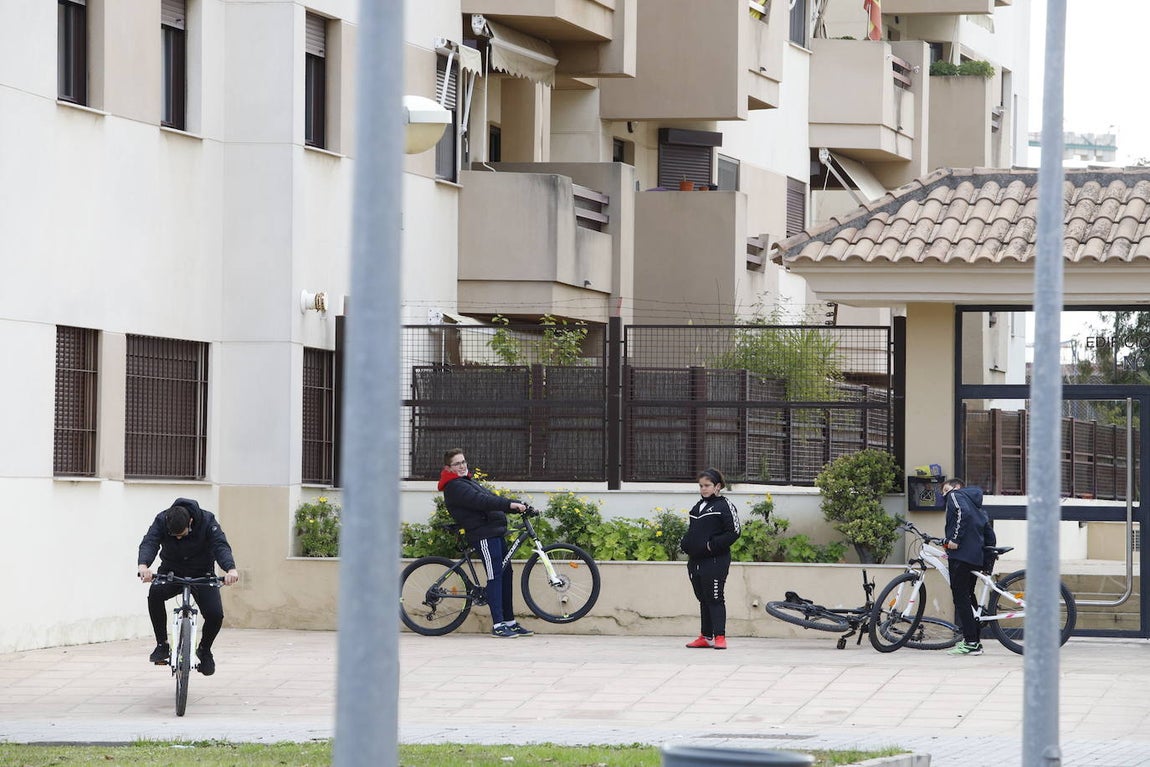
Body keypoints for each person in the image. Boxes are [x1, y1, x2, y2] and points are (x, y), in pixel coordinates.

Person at [138, 498, 240, 676]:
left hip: (201, 573)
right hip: (171, 571)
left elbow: (220, 546)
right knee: (155, 594)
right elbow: (150, 542)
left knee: (215, 615)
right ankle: (161, 644)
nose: (178, 537)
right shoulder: (162, 520)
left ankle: (204, 650)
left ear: (190, 522)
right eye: (174, 535)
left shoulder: (208, 521)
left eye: (182, 534)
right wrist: (143, 566)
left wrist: (230, 569)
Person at [439, 448, 533, 638]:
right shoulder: (455, 486)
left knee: (506, 573)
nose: (462, 465)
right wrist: (509, 505)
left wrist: (517, 505)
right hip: (483, 535)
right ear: (448, 468)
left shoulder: (467, 482)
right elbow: (481, 501)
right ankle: (498, 625)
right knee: (495, 575)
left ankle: (510, 622)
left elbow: (491, 498)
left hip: (494, 532)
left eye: (464, 461)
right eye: (457, 463)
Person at [679, 468, 741, 650]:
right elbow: (693, 532)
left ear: (717, 486)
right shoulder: (697, 508)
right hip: (696, 561)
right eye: (701, 486)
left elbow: (734, 532)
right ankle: (706, 637)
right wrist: (686, 543)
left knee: (715, 597)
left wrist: (711, 545)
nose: (703, 489)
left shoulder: (724, 505)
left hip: (716, 560)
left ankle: (720, 636)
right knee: (703, 598)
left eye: (707, 485)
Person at [939, 478, 988, 656]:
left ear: (957, 487)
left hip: (960, 556)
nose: (944, 494)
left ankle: (971, 642)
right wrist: (987, 562)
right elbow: (988, 532)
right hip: (974, 557)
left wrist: (955, 541)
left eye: (946, 490)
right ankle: (975, 640)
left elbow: (962, 513)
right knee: (968, 597)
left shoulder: (956, 496)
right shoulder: (978, 507)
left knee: (960, 598)